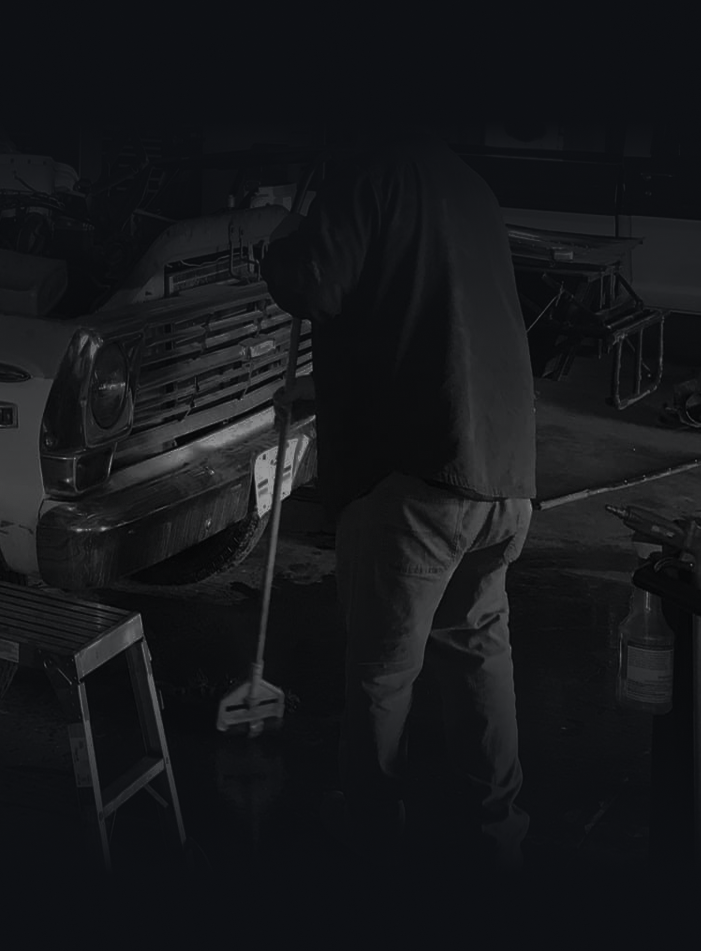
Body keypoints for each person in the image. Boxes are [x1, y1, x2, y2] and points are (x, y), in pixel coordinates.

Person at [259, 124, 538, 872]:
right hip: (503, 473)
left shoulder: (369, 174)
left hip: (419, 481)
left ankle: (372, 830)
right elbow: (429, 319)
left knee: (383, 672)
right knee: (479, 651)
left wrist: (281, 236)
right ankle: (495, 831)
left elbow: (314, 282)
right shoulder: (467, 185)